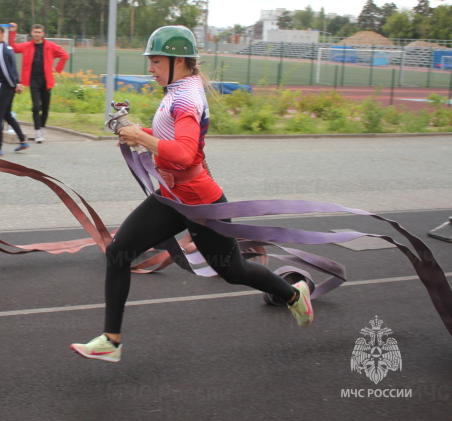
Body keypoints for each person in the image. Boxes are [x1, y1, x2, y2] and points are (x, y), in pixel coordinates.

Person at [70, 26, 313, 363]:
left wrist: (141, 139)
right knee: (119, 252)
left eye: (155, 62)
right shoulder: (179, 89)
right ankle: (111, 342)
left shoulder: (186, 97)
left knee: (233, 270)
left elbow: (183, 154)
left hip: (201, 204)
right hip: (172, 196)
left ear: (178, 60)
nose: (150, 69)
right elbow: (172, 137)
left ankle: (293, 295)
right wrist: (141, 132)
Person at [8, 23, 68, 143]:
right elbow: (13, 47)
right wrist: (12, 32)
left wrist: (57, 69)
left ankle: (41, 128)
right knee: (36, 107)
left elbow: (64, 55)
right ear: (32, 33)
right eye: (35, 32)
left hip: (46, 80)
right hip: (33, 79)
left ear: (43, 34)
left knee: (45, 108)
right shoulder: (27, 46)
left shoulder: (50, 46)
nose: (37, 34)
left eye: (39, 32)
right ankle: (37, 131)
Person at [0, 25, 30, 156]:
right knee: (7, 115)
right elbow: (13, 68)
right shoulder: (9, 48)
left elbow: (6, 70)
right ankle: (23, 141)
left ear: (2, 35)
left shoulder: (0, 49)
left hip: (3, 85)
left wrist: (14, 84)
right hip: (10, 86)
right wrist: (17, 83)